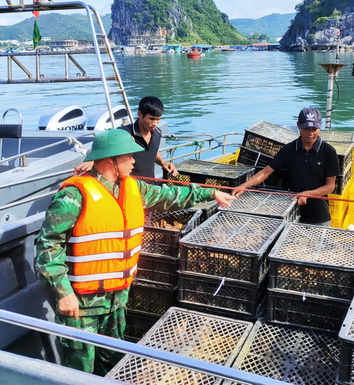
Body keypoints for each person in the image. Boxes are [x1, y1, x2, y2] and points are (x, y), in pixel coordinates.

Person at [35, 129, 235, 375]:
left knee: (113, 363)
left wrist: (211, 193)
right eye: (128, 156)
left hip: (117, 300)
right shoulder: (73, 195)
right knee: (79, 371)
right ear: (111, 159)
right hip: (82, 304)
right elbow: (47, 245)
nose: (134, 161)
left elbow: (171, 195)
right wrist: (63, 292)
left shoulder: (133, 188)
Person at [233, 108, 341, 225]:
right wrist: (244, 185)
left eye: (314, 129)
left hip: (319, 216)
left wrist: (308, 194)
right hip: (291, 213)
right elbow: (266, 171)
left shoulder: (328, 151)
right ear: (298, 126)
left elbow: (330, 186)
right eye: (306, 129)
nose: (310, 133)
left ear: (320, 127)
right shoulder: (289, 149)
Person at [120, 96, 178, 179]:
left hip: (151, 187)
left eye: (158, 119)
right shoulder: (124, 134)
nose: (155, 123)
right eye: (151, 119)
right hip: (131, 186)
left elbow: (153, 151)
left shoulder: (157, 133)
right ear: (140, 114)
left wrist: (163, 163)